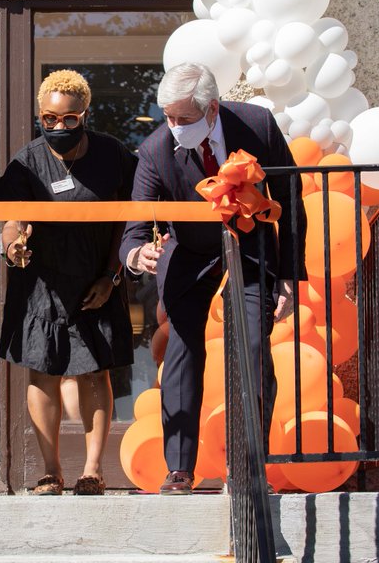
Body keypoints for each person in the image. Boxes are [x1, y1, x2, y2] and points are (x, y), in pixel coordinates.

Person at [119, 62, 305, 495]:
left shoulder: (256, 124)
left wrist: (291, 275)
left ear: (213, 108)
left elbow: (291, 196)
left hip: (252, 249)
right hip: (190, 251)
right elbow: (137, 215)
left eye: (184, 118)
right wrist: (135, 251)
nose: (174, 125)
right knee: (182, 349)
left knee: (255, 347)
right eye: (167, 116)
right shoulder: (156, 149)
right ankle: (180, 469)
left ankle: (248, 465)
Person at [0, 69, 135, 496]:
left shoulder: (113, 155)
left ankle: (92, 470)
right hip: (40, 282)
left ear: (85, 114)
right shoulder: (26, 160)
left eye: (69, 119)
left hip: (96, 279)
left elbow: (128, 221)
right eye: (49, 119)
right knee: (43, 373)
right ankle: (50, 471)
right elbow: (9, 215)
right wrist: (13, 244)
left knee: (95, 375)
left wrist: (111, 276)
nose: (59, 127)